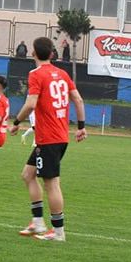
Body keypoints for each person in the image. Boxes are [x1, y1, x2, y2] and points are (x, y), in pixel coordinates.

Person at [9, 36, 87, 242]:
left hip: (49, 138)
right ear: (52, 54)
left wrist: (16, 122)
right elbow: (78, 99)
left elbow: (31, 104)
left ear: (33, 53)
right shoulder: (62, 74)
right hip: (59, 136)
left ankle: (58, 232)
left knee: (51, 184)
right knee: (28, 174)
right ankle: (37, 222)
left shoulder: (36, 74)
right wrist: (81, 127)